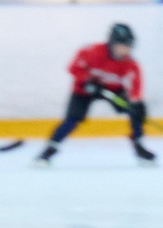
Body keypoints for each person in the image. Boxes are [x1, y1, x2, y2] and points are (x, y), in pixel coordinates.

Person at [35, 23, 153, 165]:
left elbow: (136, 85)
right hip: (84, 89)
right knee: (73, 119)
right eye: (123, 46)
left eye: (129, 46)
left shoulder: (131, 63)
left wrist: (136, 102)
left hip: (112, 91)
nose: (126, 50)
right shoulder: (91, 52)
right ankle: (49, 150)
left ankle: (139, 146)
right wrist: (87, 80)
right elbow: (73, 68)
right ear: (112, 43)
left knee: (135, 112)